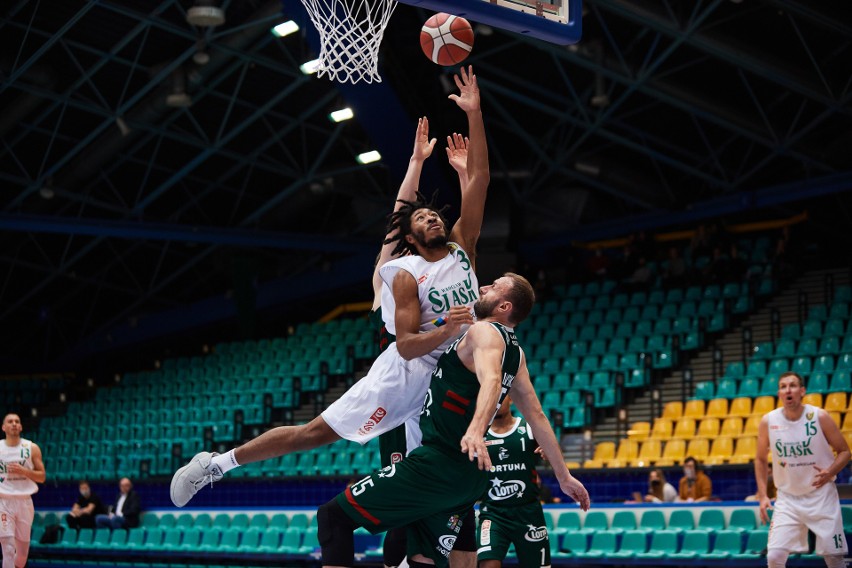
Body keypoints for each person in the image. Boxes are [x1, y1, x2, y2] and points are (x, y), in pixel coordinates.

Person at [170, 66, 490, 511]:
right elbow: (407, 335)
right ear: (410, 239)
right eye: (421, 218)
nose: (431, 216)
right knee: (314, 434)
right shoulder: (401, 269)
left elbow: (480, 183)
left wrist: (474, 113)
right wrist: (415, 164)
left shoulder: (461, 251)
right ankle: (217, 464)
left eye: (433, 214)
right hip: (405, 373)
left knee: (437, 482)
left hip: (451, 374)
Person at [315, 273, 590, 568]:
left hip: (439, 463)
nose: (483, 287)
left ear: (504, 307)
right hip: (468, 477)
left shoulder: (483, 331)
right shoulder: (517, 354)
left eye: (493, 287)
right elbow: (536, 415)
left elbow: (492, 380)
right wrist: (564, 476)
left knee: (333, 518)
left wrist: (474, 430)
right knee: (422, 555)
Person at [755, 372, 850, 568]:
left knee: (834, 558)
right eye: (783, 386)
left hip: (820, 495)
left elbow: (845, 452)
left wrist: (831, 471)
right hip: (788, 498)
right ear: (779, 393)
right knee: (773, 557)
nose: (788, 390)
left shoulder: (819, 416)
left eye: (792, 385)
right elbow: (760, 459)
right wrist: (763, 495)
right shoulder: (768, 421)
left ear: (802, 391)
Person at [477, 397, 552, 568]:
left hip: (528, 512)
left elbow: (554, 451)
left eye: (500, 397)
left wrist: (549, 453)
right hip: (493, 512)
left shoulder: (528, 427)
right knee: (488, 563)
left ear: (510, 398)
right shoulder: (478, 434)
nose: (496, 402)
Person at [0, 413, 45, 568]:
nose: (14, 424)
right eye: (10, 421)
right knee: (7, 547)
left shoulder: (31, 448)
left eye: (17, 421)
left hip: (25, 501)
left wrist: (24, 471)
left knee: (22, 556)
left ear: (21, 426)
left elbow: (42, 477)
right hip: (3, 501)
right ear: (3, 427)